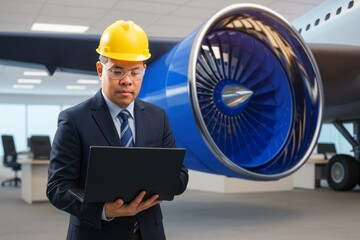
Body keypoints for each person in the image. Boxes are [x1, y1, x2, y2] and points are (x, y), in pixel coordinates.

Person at [46, 20, 189, 240]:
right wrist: (103, 210)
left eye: (135, 72)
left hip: (149, 233)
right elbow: (57, 188)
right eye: (117, 71)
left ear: (144, 71)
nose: (127, 81)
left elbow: (179, 176)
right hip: (96, 233)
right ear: (100, 69)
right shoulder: (74, 120)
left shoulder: (157, 117)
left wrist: (159, 183)